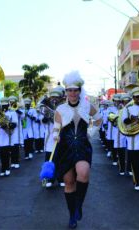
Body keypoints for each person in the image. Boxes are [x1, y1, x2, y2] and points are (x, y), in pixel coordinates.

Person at [53, 71, 102, 228]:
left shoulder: (87, 106)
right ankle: (72, 215)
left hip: (82, 146)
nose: (73, 93)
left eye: (75, 90)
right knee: (69, 182)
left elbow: (99, 119)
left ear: (80, 91)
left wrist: (90, 133)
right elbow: (56, 127)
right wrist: (55, 136)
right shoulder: (60, 109)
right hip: (65, 148)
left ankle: (78, 205)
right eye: (70, 90)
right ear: (66, 92)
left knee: (83, 173)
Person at [42, 88, 65, 188]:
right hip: (49, 138)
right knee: (49, 159)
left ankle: (60, 178)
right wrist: (47, 116)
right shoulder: (45, 108)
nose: (54, 99)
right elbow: (43, 121)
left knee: (60, 158)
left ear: (60, 98)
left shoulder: (64, 108)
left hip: (60, 137)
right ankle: (49, 179)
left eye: (56, 97)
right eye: (52, 97)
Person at [0, 97, 17, 177]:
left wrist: (7, 125)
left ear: (8, 105)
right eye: (3, 106)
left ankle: (7, 168)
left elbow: (15, 124)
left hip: (8, 135)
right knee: (1, 154)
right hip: (0, 136)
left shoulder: (12, 113)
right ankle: (3, 168)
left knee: (7, 153)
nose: (4, 107)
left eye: (5, 106)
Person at [9, 96, 24, 169]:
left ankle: (16, 161)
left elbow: (23, 116)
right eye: (11, 102)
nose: (12, 103)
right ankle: (12, 161)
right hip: (9, 131)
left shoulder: (19, 110)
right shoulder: (8, 110)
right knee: (11, 148)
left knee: (16, 147)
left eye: (13, 102)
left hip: (16, 131)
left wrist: (16, 109)